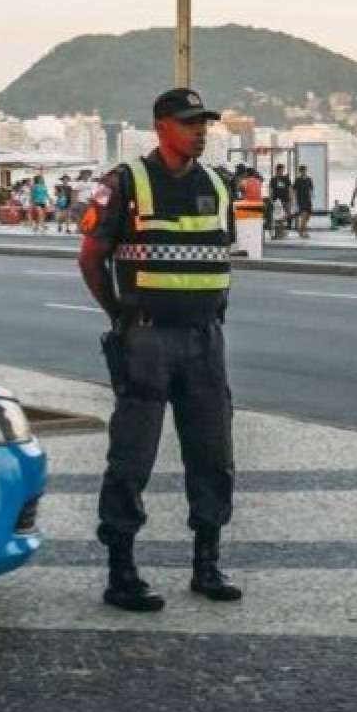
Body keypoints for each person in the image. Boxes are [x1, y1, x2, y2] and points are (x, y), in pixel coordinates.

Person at [79, 87, 242, 612]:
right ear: (161, 127)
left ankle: (207, 563)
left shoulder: (218, 185)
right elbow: (90, 257)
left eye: (204, 124)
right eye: (189, 122)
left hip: (204, 340)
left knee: (213, 455)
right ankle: (121, 571)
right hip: (147, 338)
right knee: (132, 457)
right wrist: (120, 315)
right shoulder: (124, 183)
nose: (200, 131)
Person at [293, 164, 314, 238]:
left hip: (308, 200)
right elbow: (295, 191)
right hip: (301, 200)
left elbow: (311, 190)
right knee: (303, 216)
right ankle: (304, 232)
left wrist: (311, 198)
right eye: (302, 171)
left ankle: (301, 229)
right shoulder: (298, 180)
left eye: (304, 170)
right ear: (300, 171)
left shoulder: (309, 179)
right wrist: (295, 201)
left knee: (308, 216)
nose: (303, 172)